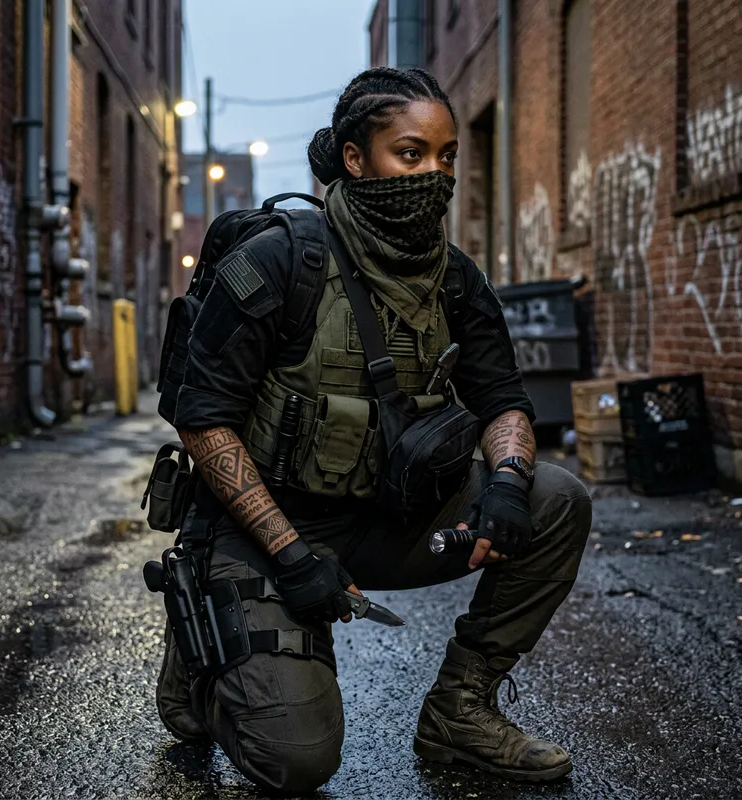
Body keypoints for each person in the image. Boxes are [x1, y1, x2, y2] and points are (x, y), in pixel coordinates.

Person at [157, 67, 592, 795]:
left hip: (388, 516)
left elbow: (503, 400)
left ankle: (461, 710)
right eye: (411, 154)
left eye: (447, 157)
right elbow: (204, 420)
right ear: (356, 160)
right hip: (263, 530)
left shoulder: (454, 278)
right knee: (297, 761)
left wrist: (510, 482)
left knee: (558, 498)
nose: (433, 174)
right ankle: (202, 673)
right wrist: (293, 556)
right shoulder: (278, 261)